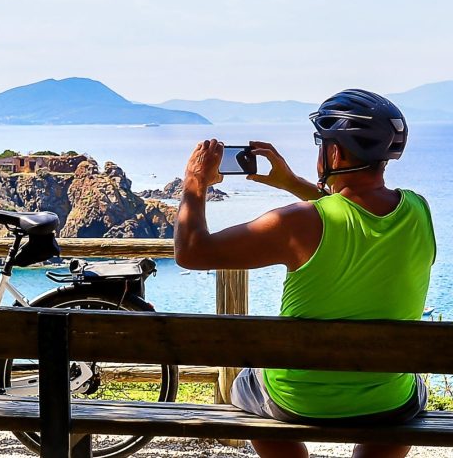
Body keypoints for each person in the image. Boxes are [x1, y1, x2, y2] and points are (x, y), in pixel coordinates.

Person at [174, 89, 436, 458]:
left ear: (335, 152)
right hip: (387, 402)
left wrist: (194, 184)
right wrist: (292, 183)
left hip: (297, 400)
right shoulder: (419, 212)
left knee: (243, 387)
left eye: (322, 143)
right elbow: (351, 215)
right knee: (409, 391)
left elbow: (191, 252)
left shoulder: (297, 223)